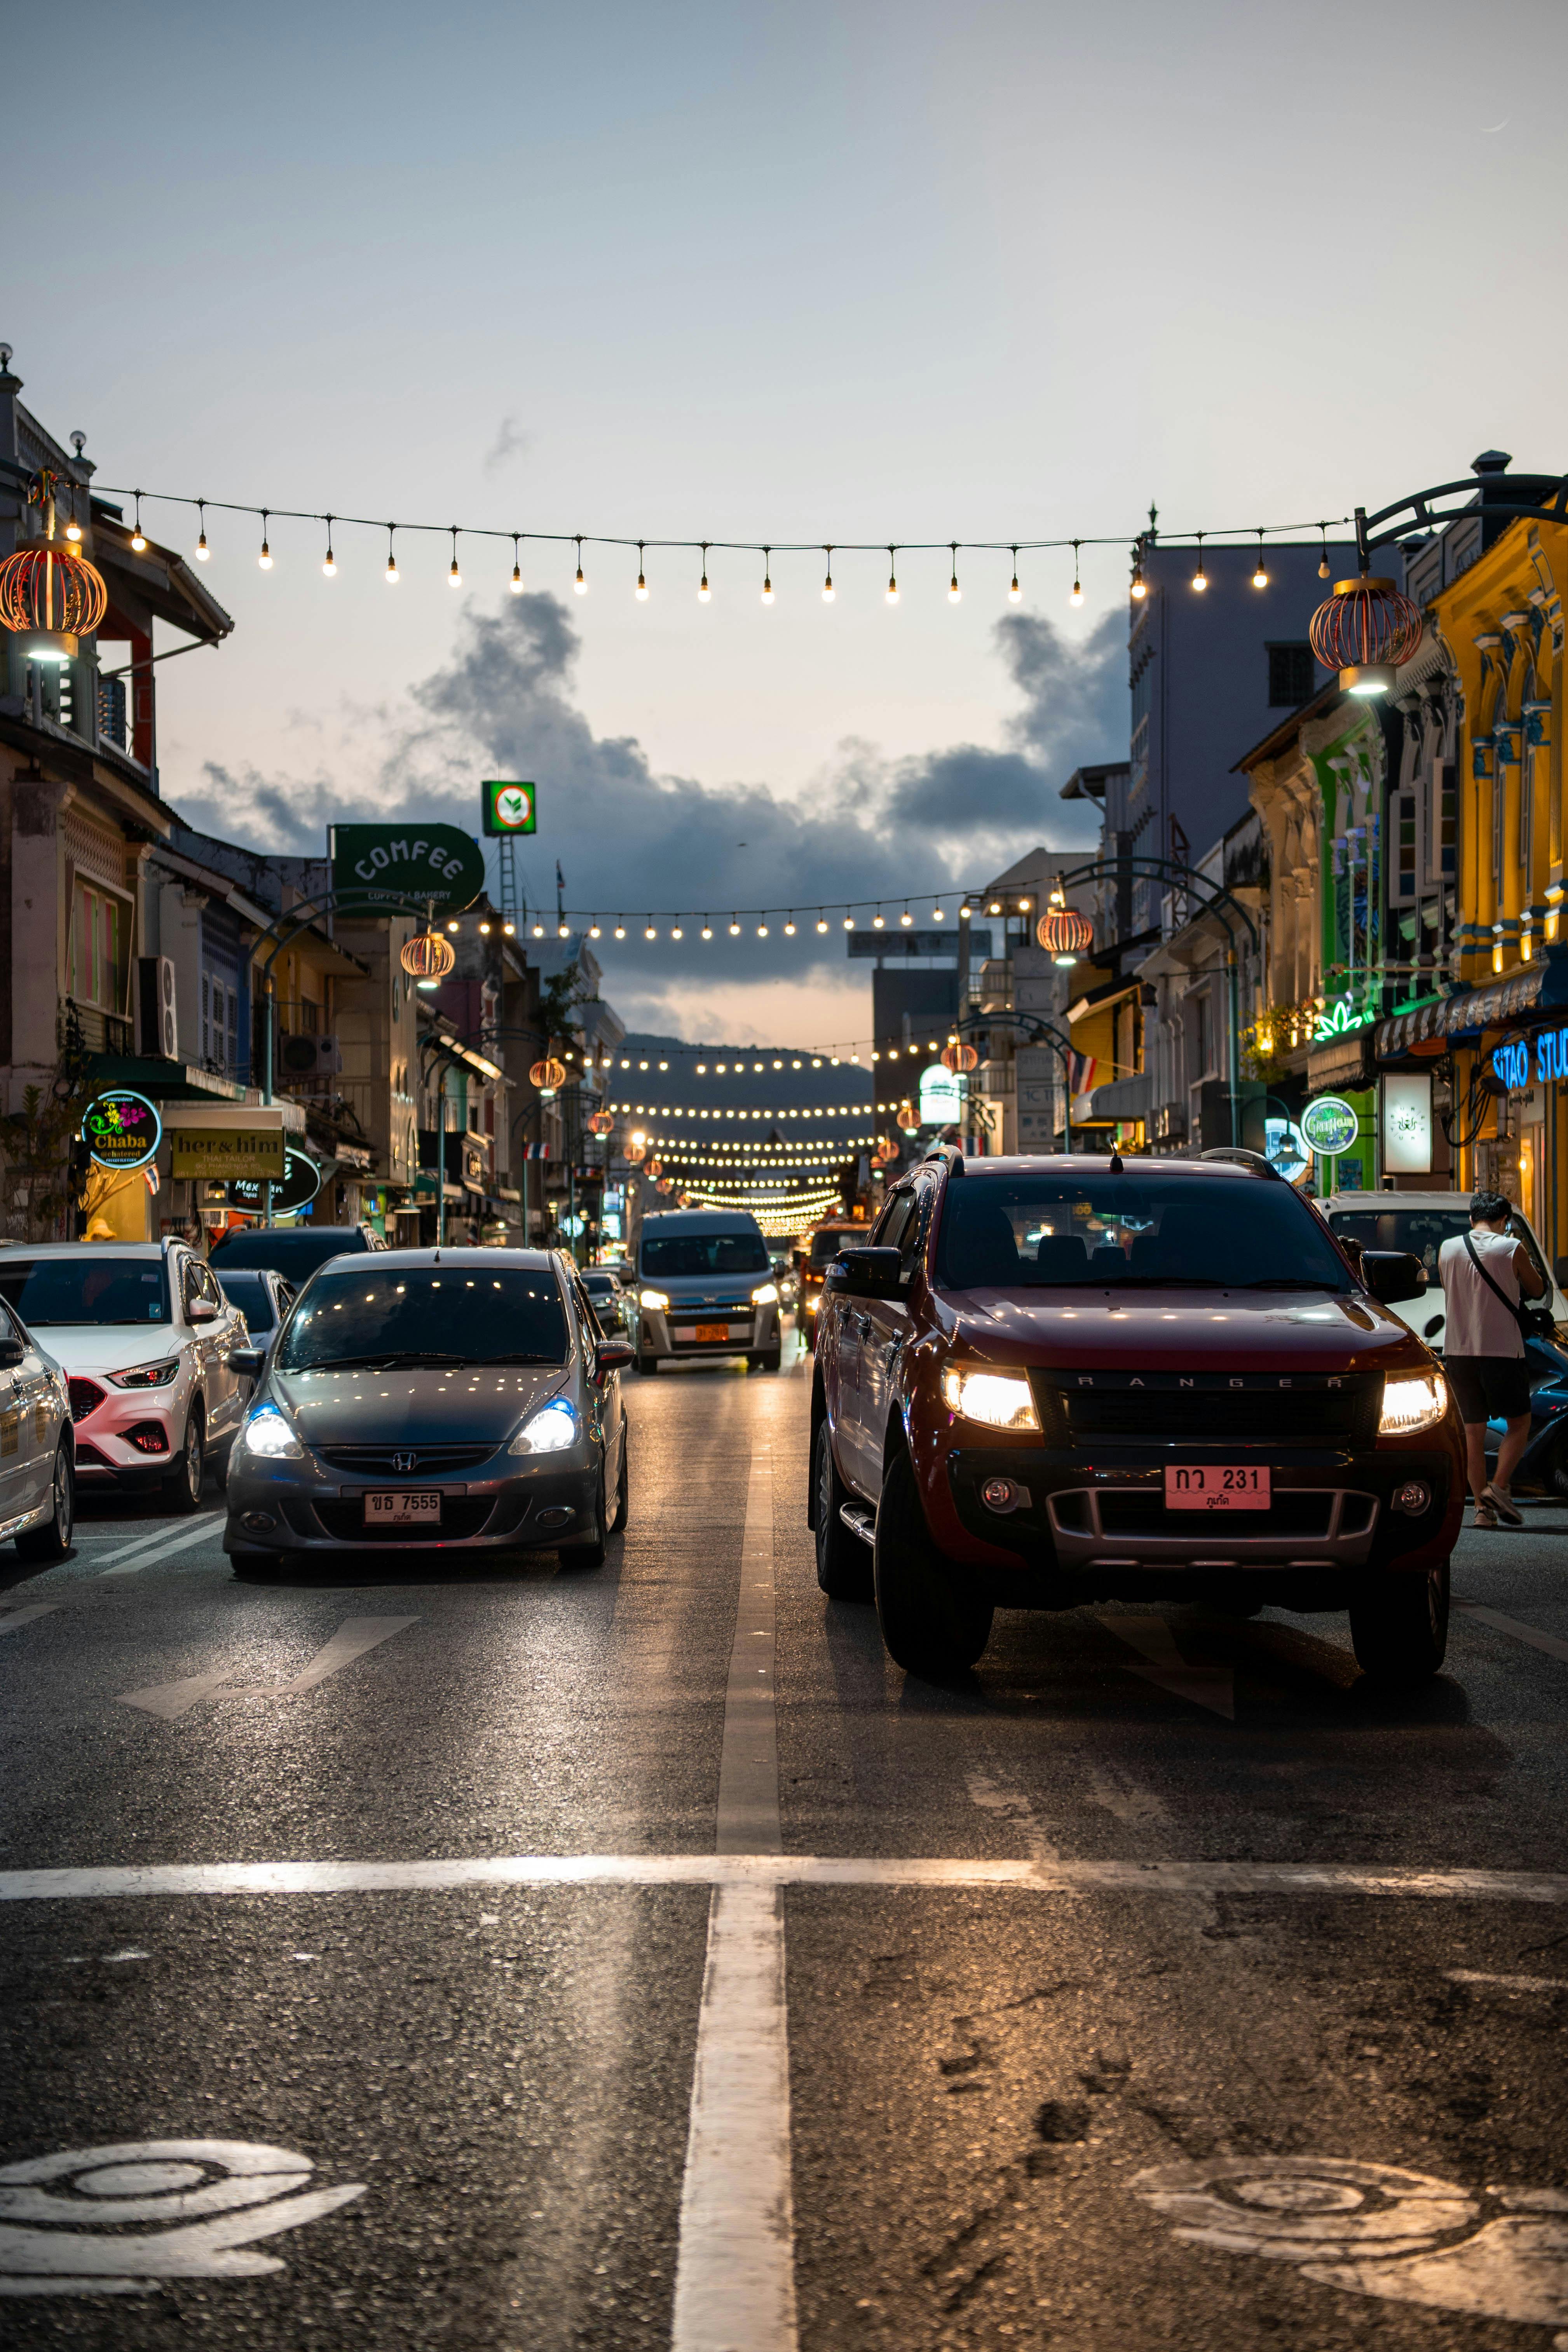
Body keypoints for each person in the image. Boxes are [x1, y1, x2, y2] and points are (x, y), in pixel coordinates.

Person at [1438, 1190, 1547, 1528]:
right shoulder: (1510, 1247)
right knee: (1519, 1424)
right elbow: (1537, 1289)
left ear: (1472, 1218)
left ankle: (1481, 1512)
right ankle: (1498, 1488)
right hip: (1501, 1352)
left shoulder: (1447, 1248)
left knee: (1473, 1433)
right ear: (1504, 1220)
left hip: (1458, 1351)